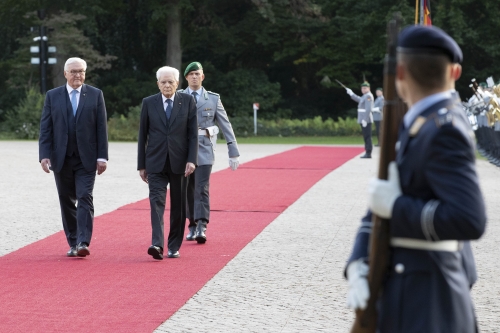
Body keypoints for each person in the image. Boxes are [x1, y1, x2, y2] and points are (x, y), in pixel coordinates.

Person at [345, 25, 486, 332]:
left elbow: (469, 218)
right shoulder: (419, 121)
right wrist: (358, 260)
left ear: (399, 74)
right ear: (456, 72)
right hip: (412, 290)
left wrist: (397, 206)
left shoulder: (443, 128)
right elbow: (384, 200)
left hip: (431, 299)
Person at [39, 57, 108, 258]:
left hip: (87, 158)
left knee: (85, 196)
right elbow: (46, 128)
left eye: (81, 71)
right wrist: (44, 155)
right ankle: (73, 241)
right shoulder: (53, 96)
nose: (78, 75)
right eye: (74, 71)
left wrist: (102, 157)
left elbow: (101, 128)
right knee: (66, 199)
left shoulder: (95, 95)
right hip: (61, 158)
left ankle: (83, 241)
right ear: (65, 73)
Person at [137, 66, 198, 260]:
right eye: (163, 82)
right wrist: (141, 165)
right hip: (155, 162)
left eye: (170, 81)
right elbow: (142, 136)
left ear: (177, 83)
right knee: (156, 203)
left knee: (179, 206)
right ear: (157, 84)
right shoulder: (149, 103)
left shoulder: (188, 102)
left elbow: (193, 135)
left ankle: (173, 245)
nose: (167, 85)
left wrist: (192, 160)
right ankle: (157, 244)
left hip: (180, 163)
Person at [179, 62, 240, 243]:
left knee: (201, 188)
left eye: (197, 74)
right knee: (187, 190)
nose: (194, 77)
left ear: (202, 77)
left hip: (204, 148)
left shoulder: (212, 99)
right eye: (191, 74)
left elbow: (225, 124)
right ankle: (191, 223)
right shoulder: (179, 96)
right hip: (183, 151)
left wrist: (233, 149)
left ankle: (201, 225)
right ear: (186, 78)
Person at [346, 82, 374, 158]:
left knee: (367, 136)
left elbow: (368, 109)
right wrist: (351, 93)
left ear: (369, 88)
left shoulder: (368, 96)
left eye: (365, 88)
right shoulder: (365, 96)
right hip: (363, 118)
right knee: (366, 136)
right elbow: (359, 99)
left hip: (366, 119)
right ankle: (367, 152)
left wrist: (365, 119)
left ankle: (368, 152)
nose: (363, 89)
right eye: (362, 88)